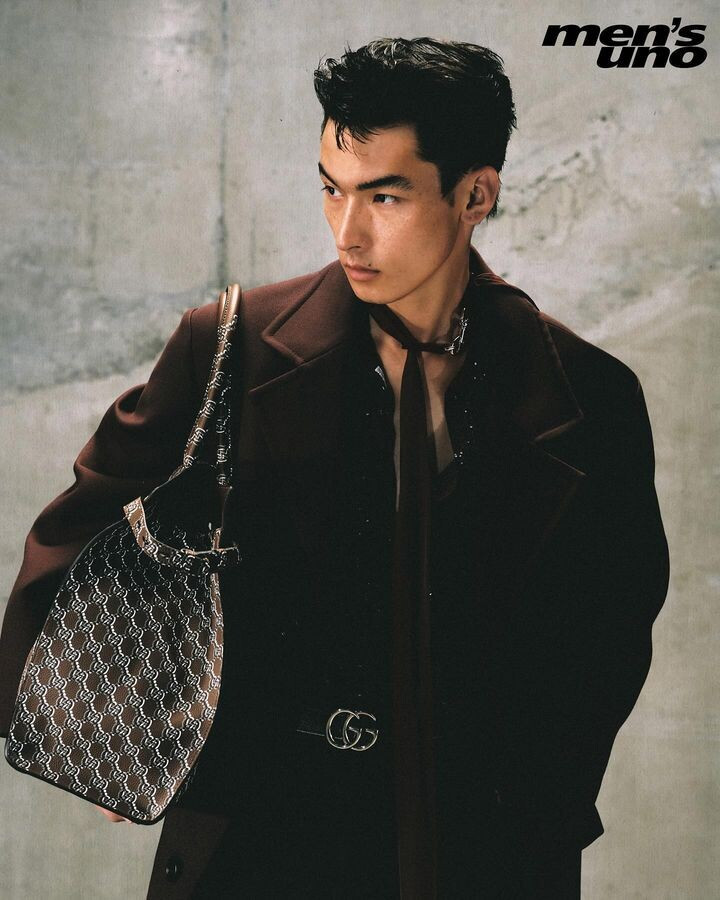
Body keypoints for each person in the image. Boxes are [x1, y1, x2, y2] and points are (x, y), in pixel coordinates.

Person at [0, 37, 669, 899]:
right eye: (331, 189)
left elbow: (616, 617)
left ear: (475, 194)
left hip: (485, 842)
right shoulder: (231, 347)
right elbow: (74, 535)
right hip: (263, 837)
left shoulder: (586, 393)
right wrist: (104, 724)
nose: (347, 231)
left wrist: (535, 794)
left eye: (384, 196)